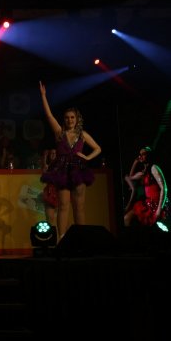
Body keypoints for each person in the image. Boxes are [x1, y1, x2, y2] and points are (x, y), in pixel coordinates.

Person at [38, 81, 101, 239]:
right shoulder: (59, 132)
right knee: (64, 206)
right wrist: (43, 96)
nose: (69, 120)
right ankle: (62, 239)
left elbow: (98, 148)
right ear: (64, 119)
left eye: (72, 117)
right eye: (67, 117)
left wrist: (87, 157)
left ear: (77, 119)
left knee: (79, 207)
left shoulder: (82, 135)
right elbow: (49, 115)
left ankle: (81, 240)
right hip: (62, 172)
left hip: (78, 171)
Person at [123, 146, 171, 226]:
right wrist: (135, 162)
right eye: (139, 154)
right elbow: (130, 178)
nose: (140, 156)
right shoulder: (144, 172)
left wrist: (159, 209)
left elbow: (164, 188)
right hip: (148, 203)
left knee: (128, 218)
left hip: (157, 205)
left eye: (143, 154)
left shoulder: (154, 168)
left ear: (149, 155)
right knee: (127, 218)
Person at [41, 148, 58, 227]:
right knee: (49, 218)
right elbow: (44, 174)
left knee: (61, 217)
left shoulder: (62, 166)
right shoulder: (47, 166)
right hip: (50, 193)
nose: (53, 155)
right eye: (52, 153)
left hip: (59, 192)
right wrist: (44, 157)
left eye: (55, 153)